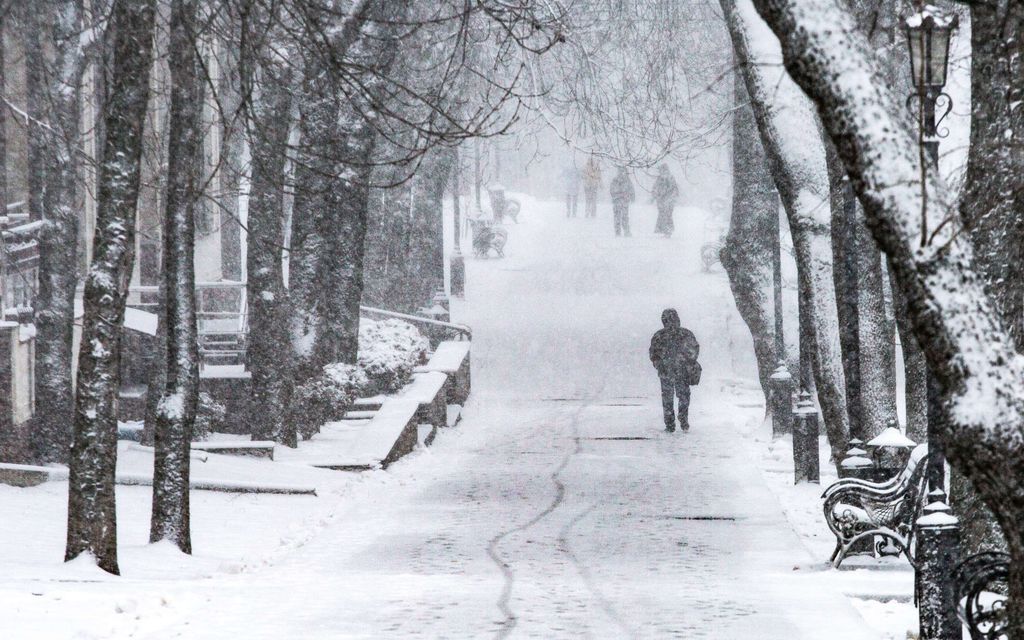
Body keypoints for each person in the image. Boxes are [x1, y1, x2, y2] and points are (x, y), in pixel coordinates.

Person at [649, 309, 700, 432]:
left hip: (666, 372)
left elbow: (653, 354)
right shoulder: (686, 334)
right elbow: (694, 350)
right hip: (682, 371)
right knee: (683, 397)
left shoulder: (659, 335)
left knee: (668, 398)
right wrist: (688, 362)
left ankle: (670, 424)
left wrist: (660, 364)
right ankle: (683, 420)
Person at [651, 164, 680, 237]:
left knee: (667, 215)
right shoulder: (660, 178)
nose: (660, 171)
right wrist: (655, 196)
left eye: (661, 169)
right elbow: (655, 188)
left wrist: (670, 198)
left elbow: (674, 190)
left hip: (668, 201)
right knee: (663, 215)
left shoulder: (670, 178)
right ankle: (666, 231)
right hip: (661, 201)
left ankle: (667, 231)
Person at [609, 166, 635, 237]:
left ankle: (621, 231)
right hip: (621, 200)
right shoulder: (624, 180)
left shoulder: (617, 180)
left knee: (621, 216)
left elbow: (612, 190)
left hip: (620, 200)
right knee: (623, 216)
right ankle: (624, 231)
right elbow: (631, 189)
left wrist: (631, 196)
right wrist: (630, 196)